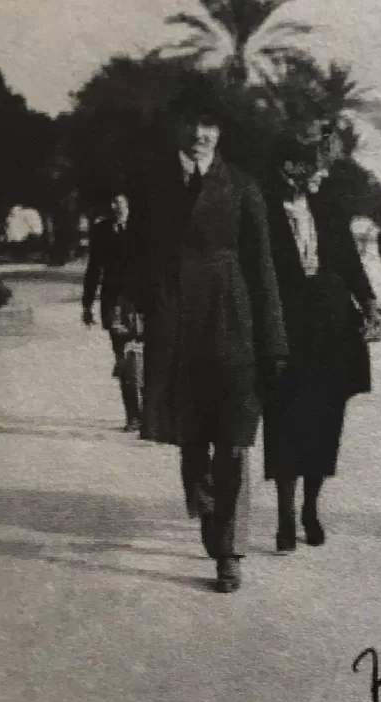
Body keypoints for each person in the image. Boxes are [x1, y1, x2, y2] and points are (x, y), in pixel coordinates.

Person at [124, 76, 288, 593]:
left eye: (210, 124)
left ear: (222, 132)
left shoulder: (243, 187)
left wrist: (274, 340)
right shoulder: (151, 186)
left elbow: (263, 268)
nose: (200, 133)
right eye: (192, 122)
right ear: (176, 126)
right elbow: (135, 256)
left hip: (232, 314)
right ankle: (209, 510)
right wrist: (128, 308)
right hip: (176, 321)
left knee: (236, 436)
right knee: (192, 436)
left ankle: (229, 550)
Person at [260, 129, 379, 554]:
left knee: (325, 421)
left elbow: (347, 257)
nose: (319, 172)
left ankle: (311, 507)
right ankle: (285, 516)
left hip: (331, 328)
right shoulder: (263, 207)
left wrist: (368, 302)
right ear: (288, 169)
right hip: (284, 328)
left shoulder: (327, 205)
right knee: (284, 421)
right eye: (311, 164)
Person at [83, 192, 141, 431]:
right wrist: (86, 304)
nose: (114, 205)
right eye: (112, 200)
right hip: (114, 304)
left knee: (148, 359)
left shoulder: (143, 227)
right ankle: (133, 416)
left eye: (119, 200)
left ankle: (152, 415)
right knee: (123, 360)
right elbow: (94, 268)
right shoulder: (102, 230)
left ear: (129, 201)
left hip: (143, 302)